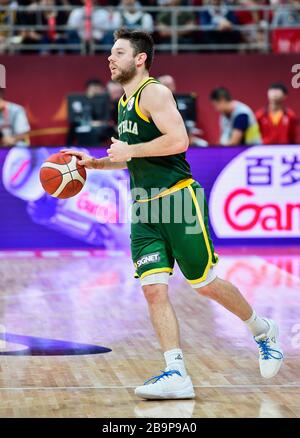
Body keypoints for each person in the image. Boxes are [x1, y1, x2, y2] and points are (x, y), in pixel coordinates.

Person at [62, 29, 283, 400]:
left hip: (177, 200)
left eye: (118, 52)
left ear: (140, 59)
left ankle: (262, 330)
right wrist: (97, 164)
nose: (109, 58)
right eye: (110, 53)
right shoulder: (124, 101)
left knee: (204, 284)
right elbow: (135, 157)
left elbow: (178, 141)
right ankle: (175, 370)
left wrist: (131, 151)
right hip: (144, 207)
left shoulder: (155, 92)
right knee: (152, 290)